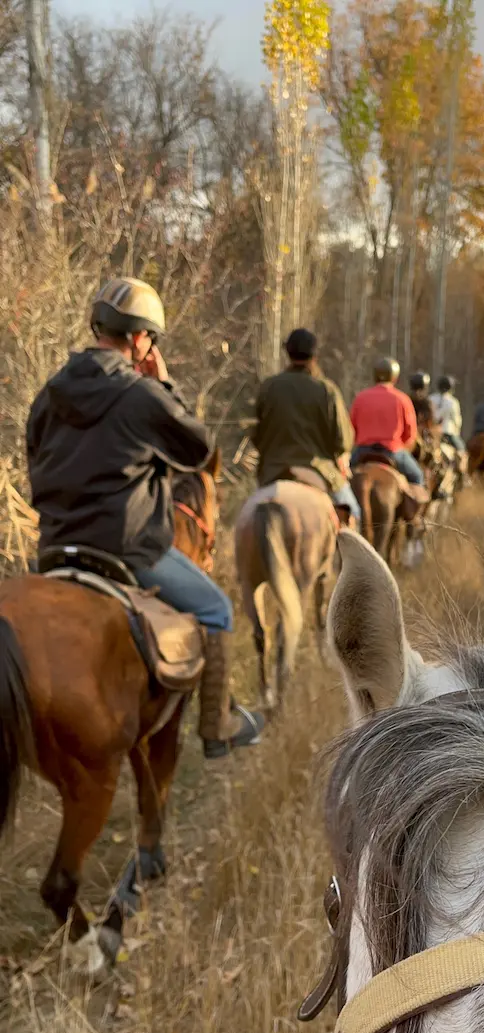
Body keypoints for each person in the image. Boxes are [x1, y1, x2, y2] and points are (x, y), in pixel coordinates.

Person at [26, 276, 263, 761]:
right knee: (217, 610)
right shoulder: (140, 393)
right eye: (150, 338)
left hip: (53, 550)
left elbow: (34, 458)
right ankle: (216, 726)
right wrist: (163, 384)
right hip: (128, 548)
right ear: (139, 338)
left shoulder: (49, 393)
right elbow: (198, 448)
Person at [254, 328, 361, 524]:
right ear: (315, 355)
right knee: (354, 513)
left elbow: (256, 434)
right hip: (318, 470)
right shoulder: (326, 390)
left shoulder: (269, 387)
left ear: (288, 352)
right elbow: (343, 441)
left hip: (273, 471)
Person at [350, 358, 425, 487]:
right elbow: (410, 435)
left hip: (362, 452)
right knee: (417, 476)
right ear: (395, 377)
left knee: (341, 478)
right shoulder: (402, 399)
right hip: (392, 451)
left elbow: (351, 429)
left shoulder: (360, 398)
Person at [430, 375, 465, 454]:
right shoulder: (453, 402)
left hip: (432, 433)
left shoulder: (431, 398)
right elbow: (457, 421)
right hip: (447, 433)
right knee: (462, 449)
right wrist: (457, 432)